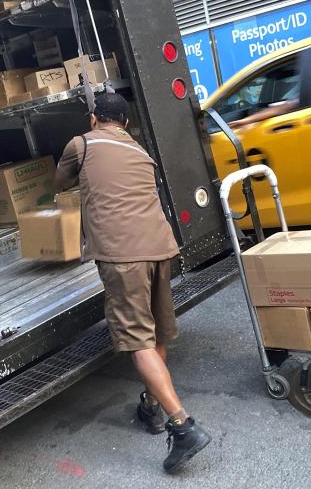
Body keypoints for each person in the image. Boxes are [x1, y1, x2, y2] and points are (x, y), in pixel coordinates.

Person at [54, 93, 212, 473]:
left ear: (95, 119)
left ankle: (182, 424)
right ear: (124, 122)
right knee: (156, 332)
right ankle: (152, 407)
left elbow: (59, 183)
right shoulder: (141, 151)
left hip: (122, 256)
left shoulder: (82, 143)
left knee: (137, 339)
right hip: (160, 248)